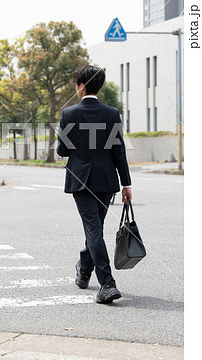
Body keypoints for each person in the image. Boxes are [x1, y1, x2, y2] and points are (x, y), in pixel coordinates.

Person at [57, 65, 132, 304]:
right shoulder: (112, 113)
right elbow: (119, 151)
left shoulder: (69, 114)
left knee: (93, 230)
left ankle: (107, 283)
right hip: (106, 180)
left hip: (81, 179)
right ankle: (84, 270)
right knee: (95, 229)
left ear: (81, 85)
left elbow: (62, 149)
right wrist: (126, 184)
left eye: (75, 85)